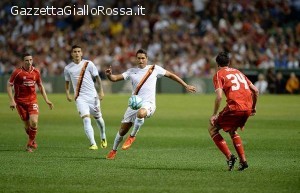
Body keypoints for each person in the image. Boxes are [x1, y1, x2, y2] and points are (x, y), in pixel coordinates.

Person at [105, 49, 196, 160]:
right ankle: (113, 150)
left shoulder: (154, 69)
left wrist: (185, 85)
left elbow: (171, 75)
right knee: (122, 130)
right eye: (139, 58)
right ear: (136, 59)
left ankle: (132, 136)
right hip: (134, 104)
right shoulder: (131, 71)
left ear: (147, 59)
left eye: (143, 58)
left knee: (141, 113)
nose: (141, 60)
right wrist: (109, 75)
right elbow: (114, 78)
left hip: (149, 104)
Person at [209, 52, 259, 171]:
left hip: (235, 107)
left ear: (217, 64)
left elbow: (219, 97)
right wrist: (253, 107)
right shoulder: (238, 72)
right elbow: (256, 91)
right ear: (229, 62)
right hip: (247, 107)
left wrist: (214, 114)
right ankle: (243, 161)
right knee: (232, 130)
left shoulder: (218, 74)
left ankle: (230, 157)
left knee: (212, 129)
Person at [7, 53, 54, 152]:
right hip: (20, 102)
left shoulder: (36, 72)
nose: (29, 62)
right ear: (22, 61)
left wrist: (47, 100)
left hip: (32, 100)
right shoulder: (17, 72)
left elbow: (40, 86)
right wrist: (11, 100)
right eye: (26, 60)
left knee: (34, 122)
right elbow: (9, 85)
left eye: (30, 60)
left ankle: (29, 144)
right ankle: (33, 140)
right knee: (27, 124)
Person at [64, 45, 107, 150]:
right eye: (74, 51)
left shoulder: (89, 64)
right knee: (86, 119)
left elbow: (97, 78)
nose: (77, 53)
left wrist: (101, 91)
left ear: (81, 53)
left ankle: (103, 136)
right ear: (72, 54)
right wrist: (68, 93)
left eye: (79, 51)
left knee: (98, 119)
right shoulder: (68, 68)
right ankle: (93, 143)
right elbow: (67, 82)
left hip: (93, 97)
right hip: (80, 98)